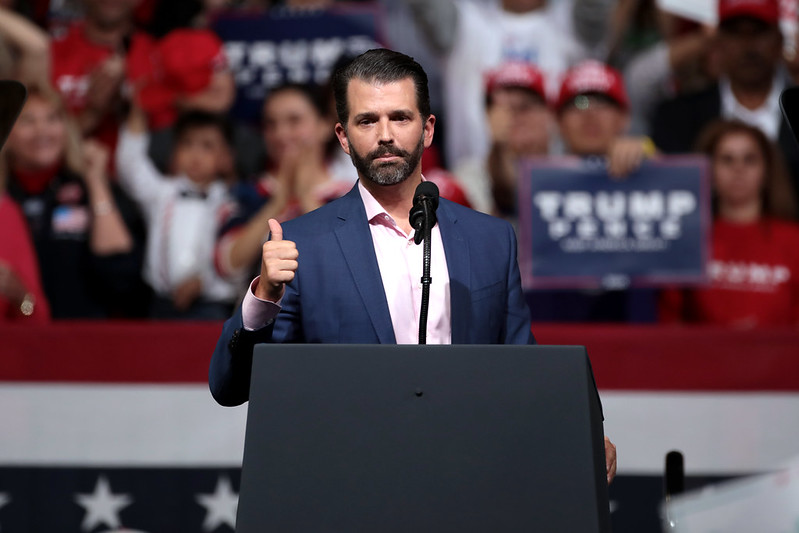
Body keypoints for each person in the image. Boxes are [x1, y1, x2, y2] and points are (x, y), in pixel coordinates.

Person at [208, 48, 616, 482]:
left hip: (468, 477)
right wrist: (263, 299)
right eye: (367, 121)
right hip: (348, 481)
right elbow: (230, 387)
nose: (385, 134)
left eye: (400, 117)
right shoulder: (302, 243)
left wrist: (578, 430)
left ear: (428, 129)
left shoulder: (491, 240)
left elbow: (520, 369)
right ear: (343, 137)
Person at [4, 85, 145, 318]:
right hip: (17, 342)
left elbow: (121, 277)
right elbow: (25, 304)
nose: (43, 131)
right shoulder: (4, 199)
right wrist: (24, 302)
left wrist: (96, 182)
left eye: (53, 119)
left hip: (86, 339)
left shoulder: (89, 186)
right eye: (27, 121)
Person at [652, 0, 799, 206]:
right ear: (718, 43)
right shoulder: (676, 116)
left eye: (758, 32)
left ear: (779, 39)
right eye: (735, 33)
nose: (748, 46)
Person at [660, 120, 799, 327]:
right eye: (727, 160)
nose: (738, 169)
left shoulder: (794, 239)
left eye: (749, 159)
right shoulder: (686, 239)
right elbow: (669, 319)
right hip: (702, 356)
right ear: (709, 170)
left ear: (767, 170)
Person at [116, 104, 240, 319]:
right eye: (187, 143)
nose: (195, 154)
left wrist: (204, 281)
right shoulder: (162, 193)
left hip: (213, 307)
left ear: (226, 158)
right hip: (161, 304)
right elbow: (130, 166)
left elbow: (237, 257)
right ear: (174, 151)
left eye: (207, 146)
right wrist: (137, 112)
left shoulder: (232, 202)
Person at [454, 60, 554, 218]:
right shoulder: (467, 179)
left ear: (548, 113)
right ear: (488, 115)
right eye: (505, 108)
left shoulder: (568, 169)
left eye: (525, 106)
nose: (516, 116)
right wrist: (502, 149)